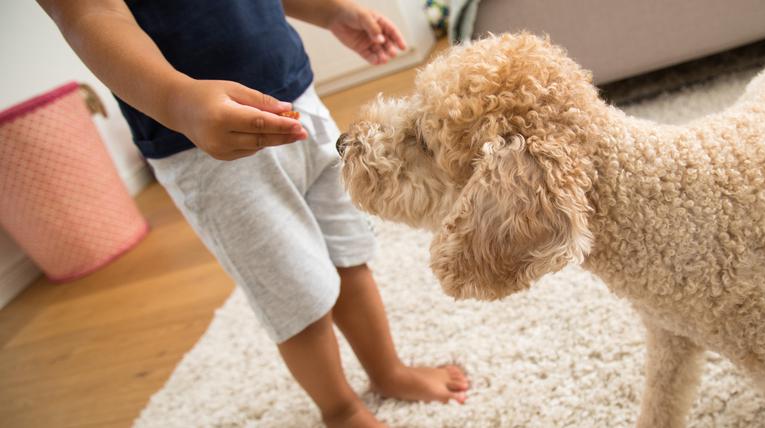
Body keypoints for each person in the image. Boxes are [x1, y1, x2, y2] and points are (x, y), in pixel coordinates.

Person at [37, 0, 469, 426]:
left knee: (349, 250)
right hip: (202, 139)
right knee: (293, 291)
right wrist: (178, 100)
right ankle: (340, 409)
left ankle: (387, 371)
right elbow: (90, 14)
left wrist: (328, 10)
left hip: (298, 96)